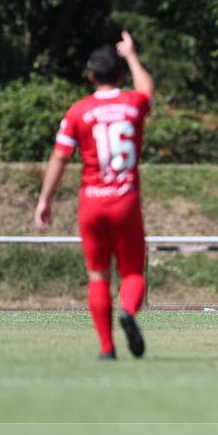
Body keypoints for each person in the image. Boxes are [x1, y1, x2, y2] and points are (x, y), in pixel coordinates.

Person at [35, 31, 152, 359]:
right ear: (120, 75)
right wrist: (130, 53)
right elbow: (147, 90)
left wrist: (45, 199)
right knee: (132, 273)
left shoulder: (78, 111)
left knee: (98, 275)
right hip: (125, 201)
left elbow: (59, 157)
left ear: (91, 76)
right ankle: (128, 311)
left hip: (92, 202)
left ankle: (106, 348)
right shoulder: (133, 103)